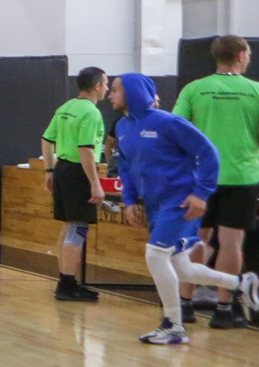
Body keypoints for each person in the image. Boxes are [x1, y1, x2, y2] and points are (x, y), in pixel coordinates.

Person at [110, 72, 255, 345]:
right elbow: (126, 166)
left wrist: (201, 194)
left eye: (115, 89)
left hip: (179, 202)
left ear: (132, 92)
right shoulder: (122, 127)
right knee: (182, 268)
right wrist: (129, 201)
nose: (110, 95)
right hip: (153, 205)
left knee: (155, 255)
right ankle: (241, 284)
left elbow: (209, 153)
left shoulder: (169, 123)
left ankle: (173, 325)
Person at [172, 36, 259, 327]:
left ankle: (184, 304)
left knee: (197, 239)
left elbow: (176, 131)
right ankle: (223, 309)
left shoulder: (194, 89)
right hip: (241, 177)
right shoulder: (255, 91)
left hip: (199, 180)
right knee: (232, 242)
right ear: (241, 55)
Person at [41, 69, 110, 303]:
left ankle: (66, 281)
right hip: (78, 172)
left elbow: (46, 139)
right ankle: (67, 284)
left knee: (68, 227)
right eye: (106, 84)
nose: (108, 89)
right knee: (78, 228)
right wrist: (95, 183)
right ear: (98, 86)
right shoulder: (91, 113)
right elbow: (85, 149)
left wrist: (50, 169)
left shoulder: (66, 107)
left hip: (62, 169)